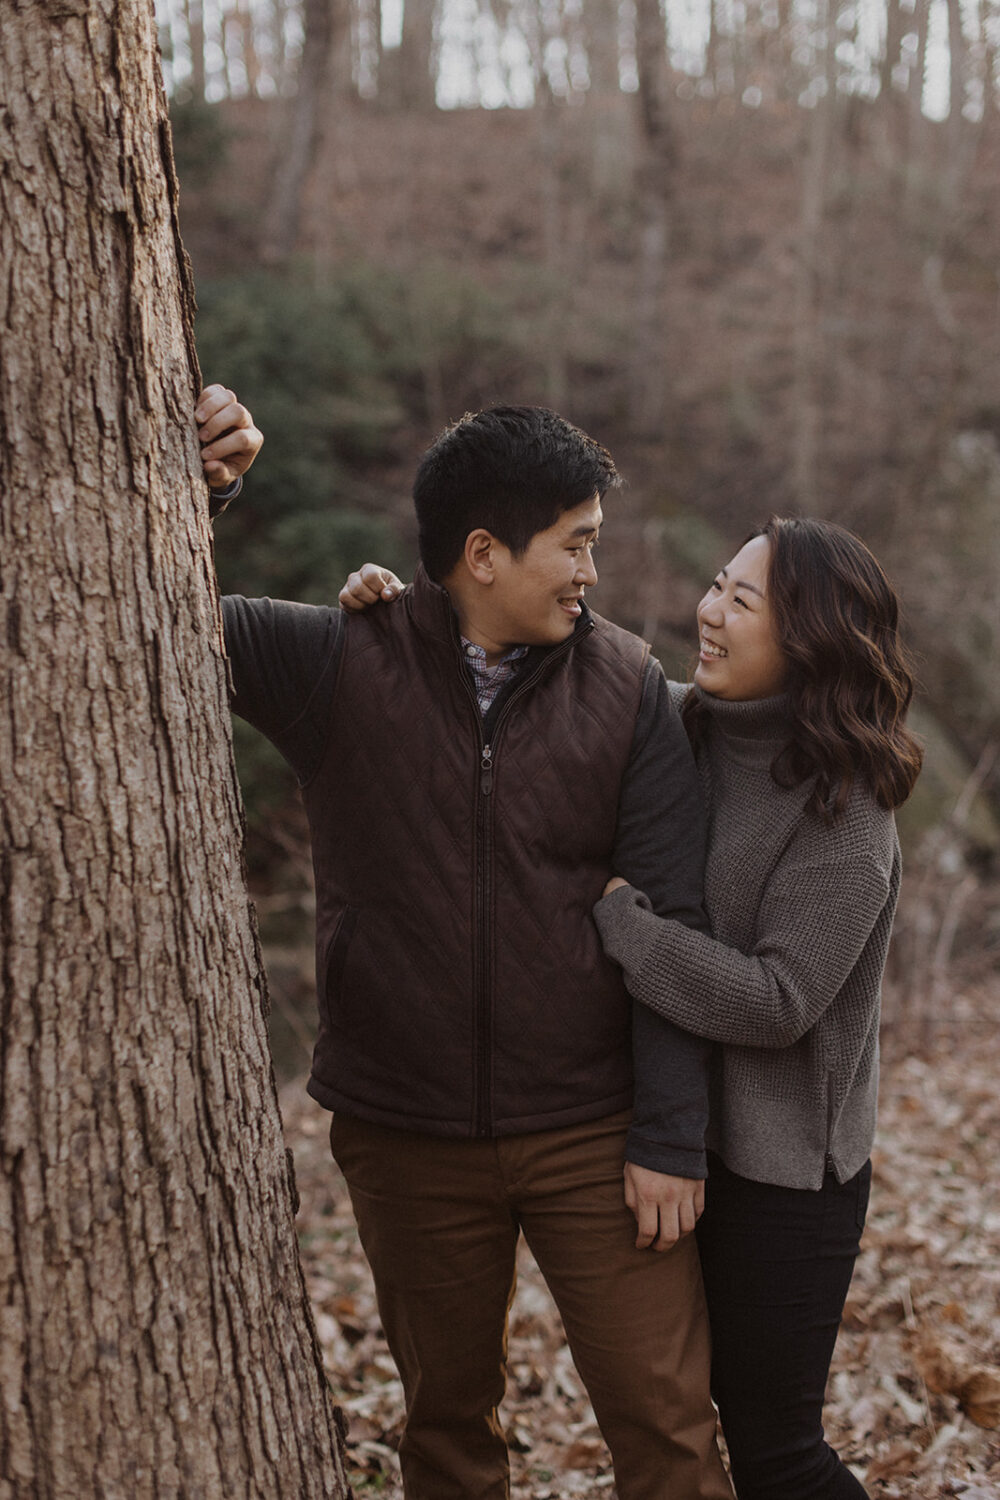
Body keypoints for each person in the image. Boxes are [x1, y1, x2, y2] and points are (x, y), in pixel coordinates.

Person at [195, 385, 734, 1500]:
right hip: (405, 1133)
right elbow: (151, 604)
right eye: (574, 544)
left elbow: (673, 920)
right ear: (483, 554)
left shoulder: (629, 687)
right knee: (446, 1432)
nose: (591, 572)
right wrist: (207, 494)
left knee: (669, 1429)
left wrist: (671, 1135)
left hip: (595, 1132)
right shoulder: (340, 659)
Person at [590, 519, 923, 1499]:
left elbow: (780, 1002)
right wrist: (394, 606)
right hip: (675, 1143)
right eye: (715, 584)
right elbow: (562, 667)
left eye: (742, 601)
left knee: (777, 1455)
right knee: (677, 1426)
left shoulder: (847, 808)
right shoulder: (679, 724)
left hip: (787, 1180)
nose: (708, 611)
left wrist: (626, 928)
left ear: (810, 639)